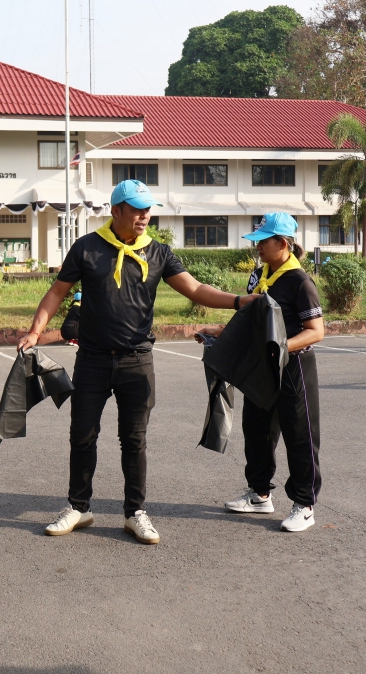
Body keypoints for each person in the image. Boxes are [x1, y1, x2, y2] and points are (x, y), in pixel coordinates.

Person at [18, 179, 257, 544]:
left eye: (147, 210)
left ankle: (135, 512)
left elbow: (195, 289)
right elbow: (57, 292)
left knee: (134, 440)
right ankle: (78, 507)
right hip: (93, 360)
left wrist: (239, 301)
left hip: (137, 361)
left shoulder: (158, 252)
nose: (144, 216)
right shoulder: (87, 248)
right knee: (82, 435)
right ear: (116, 211)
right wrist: (35, 332)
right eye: (136, 210)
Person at [200, 213, 324, 532]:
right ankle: (259, 494)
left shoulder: (300, 282)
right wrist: (219, 332)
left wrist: (281, 348)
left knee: (300, 435)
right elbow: (252, 321)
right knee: (257, 429)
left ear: (282, 243)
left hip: (293, 366)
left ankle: (304, 505)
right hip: (263, 366)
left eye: (262, 242)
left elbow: (316, 331)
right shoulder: (258, 276)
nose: (257, 247)